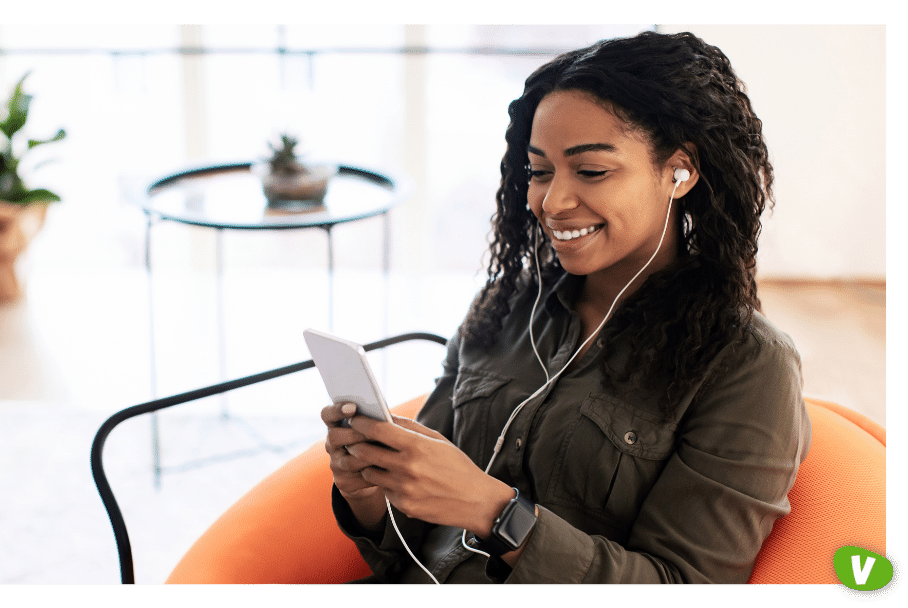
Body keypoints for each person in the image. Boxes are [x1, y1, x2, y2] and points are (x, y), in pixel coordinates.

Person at [320, 30, 811, 584]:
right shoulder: (502, 310)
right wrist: (369, 491)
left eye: (592, 171)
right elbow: (408, 545)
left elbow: (687, 585)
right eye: (539, 171)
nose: (551, 202)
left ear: (681, 171)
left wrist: (495, 513)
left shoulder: (747, 366)